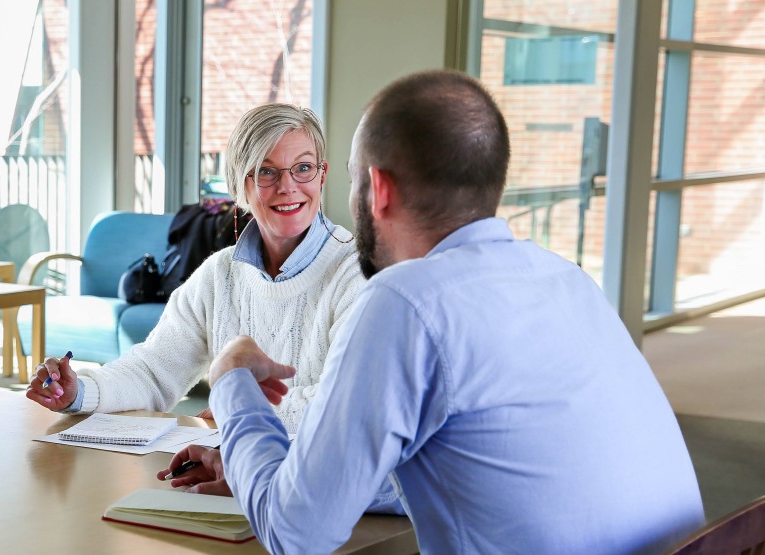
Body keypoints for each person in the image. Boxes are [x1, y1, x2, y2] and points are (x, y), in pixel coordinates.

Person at [168, 70, 705, 554]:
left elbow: (295, 534)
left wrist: (232, 379)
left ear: (378, 189)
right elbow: (475, 469)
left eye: (351, 178)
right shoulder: (569, 281)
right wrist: (268, 469)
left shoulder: (404, 302)